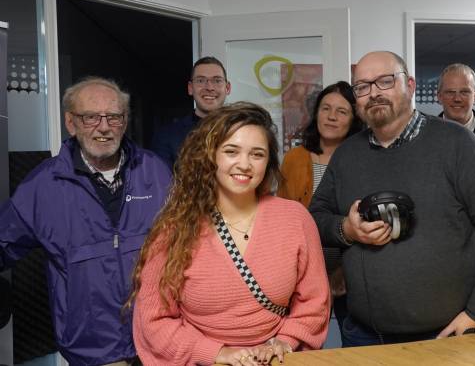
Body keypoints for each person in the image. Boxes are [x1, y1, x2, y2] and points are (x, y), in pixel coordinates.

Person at [309, 51, 475, 347]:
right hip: (362, 334)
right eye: (362, 86)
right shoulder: (347, 154)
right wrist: (346, 228)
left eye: (385, 81)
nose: (374, 93)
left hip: (442, 336)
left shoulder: (458, 144)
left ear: (409, 85)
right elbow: (314, 218)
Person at [130, 103, 330, 366]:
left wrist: (286, 340)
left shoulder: (295, 219)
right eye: (231, 151)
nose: (244, 164)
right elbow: (153, 319)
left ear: (268, 161)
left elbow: (314, 301)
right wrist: (215, 353)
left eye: (257, 154)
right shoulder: (176, 227)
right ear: (210, 156)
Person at [0, 77, 172, 365]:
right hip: (94, 354)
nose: (103, 127)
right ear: (71, 122)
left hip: (161, 344)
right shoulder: (43, 186)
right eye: (91, 117)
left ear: (125, 121)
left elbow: (190, 244)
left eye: (113, 117)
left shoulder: (155, 171)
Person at [277, 81, 363, 345]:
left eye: (342, 111)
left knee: (353, 344)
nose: (332, 116)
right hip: (300, 271)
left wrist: (342, 272)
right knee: (301, 343)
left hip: (348, 270)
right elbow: (282, 218)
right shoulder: (294, 158)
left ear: (354, 119)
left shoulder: (361, 159)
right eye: (326, 108)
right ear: (316, 114)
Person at [151, 56, 232, 167]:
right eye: (201, 80)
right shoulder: (167, 137)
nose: (209, 87)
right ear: (190, 88)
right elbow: (162, 182)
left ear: (227, 88)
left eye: (217, 80)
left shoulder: (242, 130)